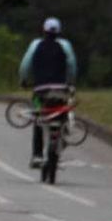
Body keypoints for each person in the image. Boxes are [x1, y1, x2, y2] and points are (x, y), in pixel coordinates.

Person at [19, 17, 78, 168]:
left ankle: (37, 155)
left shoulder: (35, 44)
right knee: (62, 114)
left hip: (40, 90)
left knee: (39, 117)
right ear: (59, 32)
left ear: (43, 30)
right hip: (60, 90)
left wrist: (24, 80)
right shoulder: (65, 45)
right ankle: (60, 144)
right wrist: (70, 82)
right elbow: (71, 66)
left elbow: (26, 65)